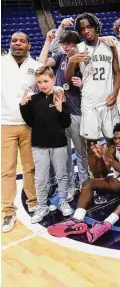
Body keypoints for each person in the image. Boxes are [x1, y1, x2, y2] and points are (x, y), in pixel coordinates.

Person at [47, 122, 120, 244]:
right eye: (115, 138)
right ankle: (77, 219)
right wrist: (98, 159)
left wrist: (110, 159)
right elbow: (103, 173)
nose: (117, 141)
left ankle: (107, 223)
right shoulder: (113, 149)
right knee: (88, 183)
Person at [65, 13, 120, 190]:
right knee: (92, 146)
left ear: (96, 27)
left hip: (108, 101)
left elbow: (117, 73)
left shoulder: (109, 45)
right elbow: (68, 81)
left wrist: (115, 91)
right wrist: (70, 63)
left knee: (114, 141)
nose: (86, 31)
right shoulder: (77, 49)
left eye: (89, 27)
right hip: (89, 104)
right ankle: (97, 180)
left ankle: (116, 174)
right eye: (82, 29)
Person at [19, 66, 72, 223]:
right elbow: (29, 122)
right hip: (39, 146)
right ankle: (41, 206)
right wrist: (22, 106)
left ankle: (63, 201)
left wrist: (60, 109)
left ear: (53, 80)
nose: (43, 84)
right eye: (40, 82)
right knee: (41, 178)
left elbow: (66, 123)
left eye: (46, 81)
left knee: (62, 175)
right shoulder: (34, 100)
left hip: (59, 144)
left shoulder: (60, 97)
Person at [38, 29, 88, 198]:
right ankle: (70, 185)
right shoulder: (59, 57)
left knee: (81, 152)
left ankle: (84, 182)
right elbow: (42, 63)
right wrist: (49, 40)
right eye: (64, 44)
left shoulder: (83, 59)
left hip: (78, 112)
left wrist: (83, 84)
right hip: (59, 113)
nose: (66, 47)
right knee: (65, 153)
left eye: (70, 44)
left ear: (77, 44)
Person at [1, 32, 41, 232]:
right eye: (14, 41)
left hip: (28, 125)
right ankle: (8, 211)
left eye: (22, 41)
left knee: (30, 167)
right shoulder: (1, 63)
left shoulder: (35, 67)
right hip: (4, 124)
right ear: (10, 44)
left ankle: (33, 202)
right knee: (7, 170)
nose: (18, 44)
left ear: (28, 45)